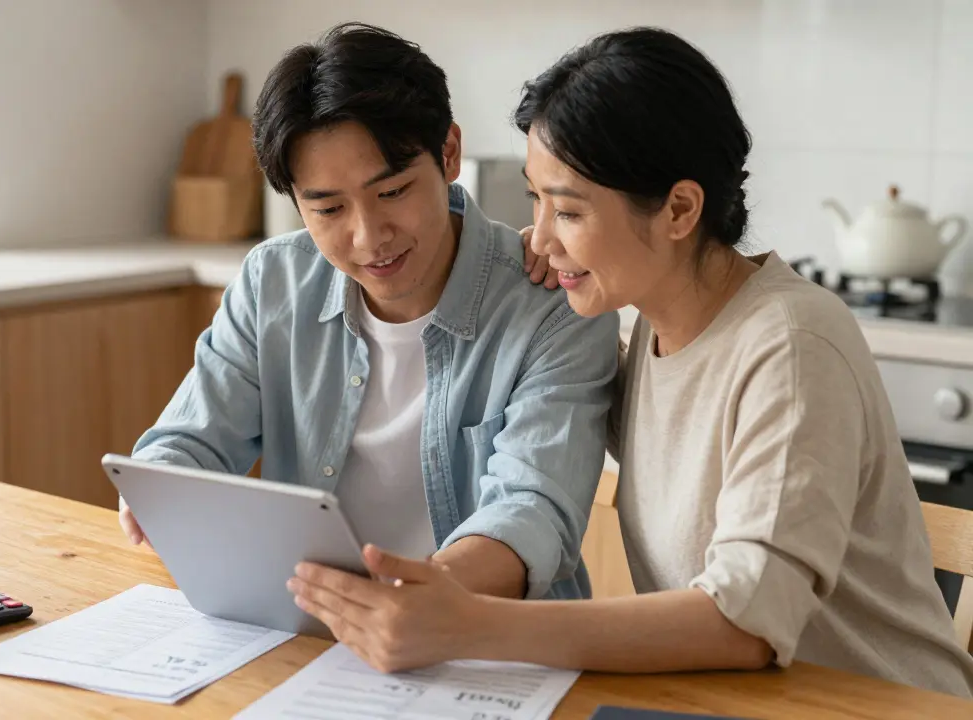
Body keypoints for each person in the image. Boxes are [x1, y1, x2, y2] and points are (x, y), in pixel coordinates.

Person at [286, 26, 973, 697]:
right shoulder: (647, 331)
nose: (541, 238)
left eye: (570, 212)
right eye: (536, 200)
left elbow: (744, 622)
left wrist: (473, 624)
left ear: (679, 209)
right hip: (729, 702)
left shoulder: (791, 345)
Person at [125, 23, 620, 603]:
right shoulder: (273, 282)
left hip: (493, 643)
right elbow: (190, 441)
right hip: (312, 631)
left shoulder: (552, 303)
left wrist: (407, 598)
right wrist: (155, 485)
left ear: (449, 153)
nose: (369, 237)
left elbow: (533, 513)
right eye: (329, 207)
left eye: (392, 193)